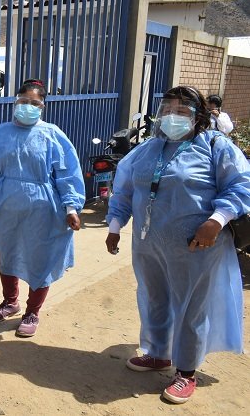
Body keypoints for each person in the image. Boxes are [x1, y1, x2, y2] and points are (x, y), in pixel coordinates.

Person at [105, 85, 249, 404]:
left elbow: (240, 184)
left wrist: (217, 220)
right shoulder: (149, 148)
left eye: (182, 111)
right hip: (149, 244)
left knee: (190, 307)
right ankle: (158, 353)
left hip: (195, 246)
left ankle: (186, 371)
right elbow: (125, 188)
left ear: (198, 117)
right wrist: (115, 225)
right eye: (167, 109)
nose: (172, 116)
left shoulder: (215, 146)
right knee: (154, 298)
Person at [0, 79, 85, 338]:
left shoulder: (52, 135)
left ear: (43, 106)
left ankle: (32, 311)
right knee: (9, 256)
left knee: (41, 259)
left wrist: (71, 207)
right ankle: (10, 302)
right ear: (15, 102)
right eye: (24, 101)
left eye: (34, 103)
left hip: (43, 210)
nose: (28, 106)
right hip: (6, 208)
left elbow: (67, 173)